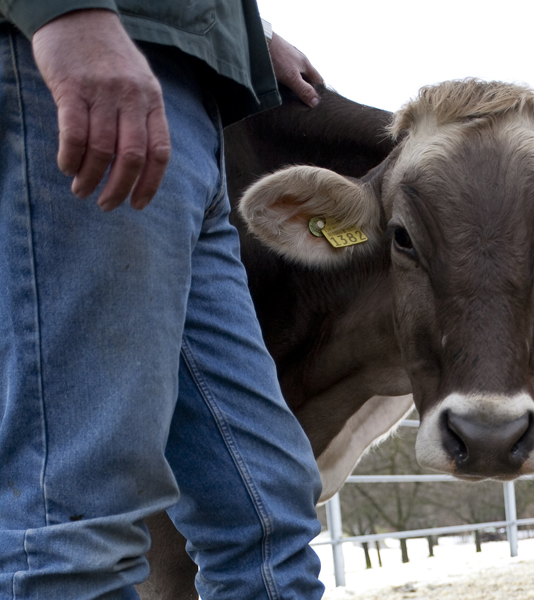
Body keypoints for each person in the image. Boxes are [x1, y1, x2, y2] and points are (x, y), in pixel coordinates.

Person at [0, 2, 326, 599]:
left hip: (192, 92)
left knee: (268, 510)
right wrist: (66, 11)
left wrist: (252, 33)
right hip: (91, 60)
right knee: (74, 520)